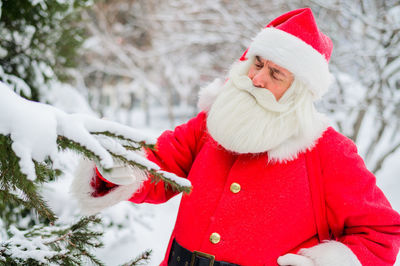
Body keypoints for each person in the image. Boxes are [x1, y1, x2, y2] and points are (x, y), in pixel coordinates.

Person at [71, 8, 400, 266]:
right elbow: (161, 165)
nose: (257, 78)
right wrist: (119, 167)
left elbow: (381, 233)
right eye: (258, 63)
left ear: (299, 90)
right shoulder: (211, 123)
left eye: (275, 74)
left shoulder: (327, 150)